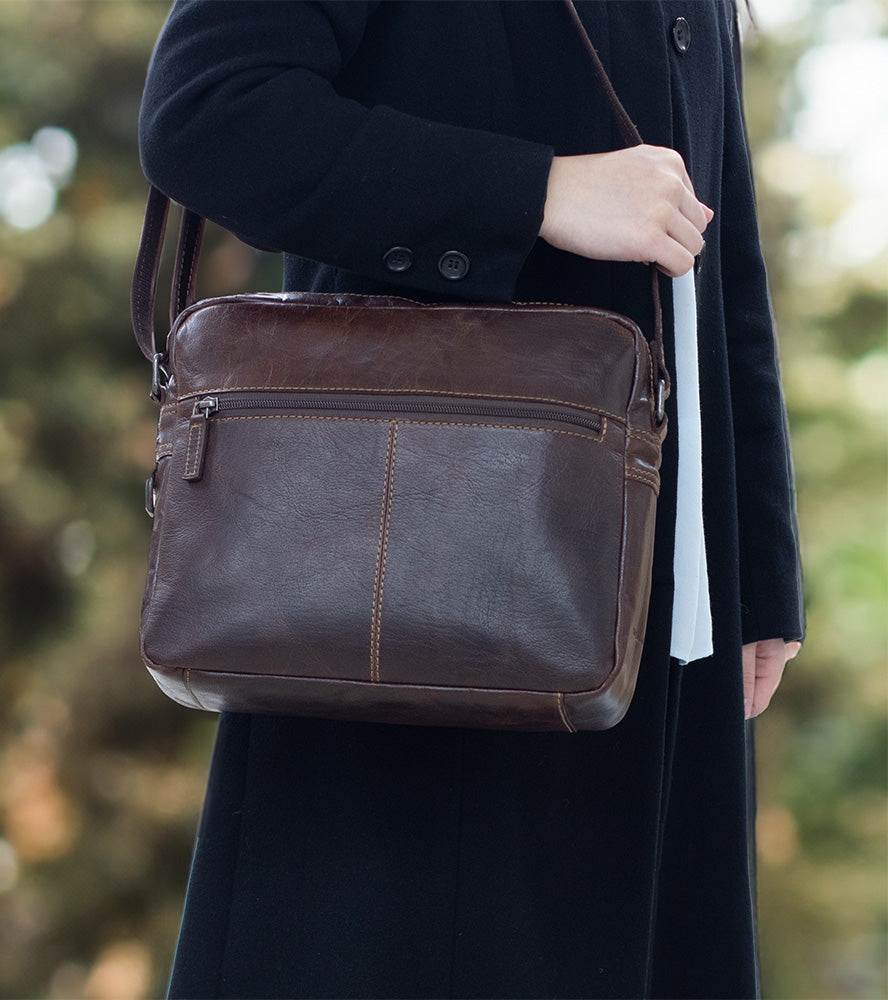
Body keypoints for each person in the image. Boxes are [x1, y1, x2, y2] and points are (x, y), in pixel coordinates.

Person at [138, 2, 804, 997]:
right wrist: (531, 192)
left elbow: (723, 250)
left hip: (663, 609)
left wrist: (756, 570)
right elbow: (208, 114)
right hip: (411, 584)